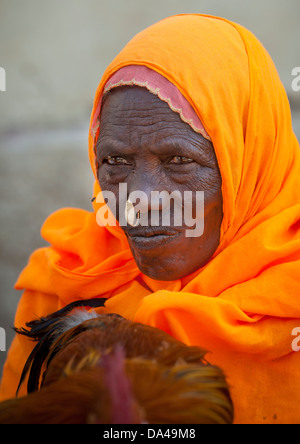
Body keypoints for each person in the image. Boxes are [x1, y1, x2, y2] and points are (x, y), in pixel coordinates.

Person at [1, 14, 300, 424]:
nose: (139, 200)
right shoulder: (68, 279)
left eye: (179, 159)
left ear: (251, 161)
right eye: (115, 161)